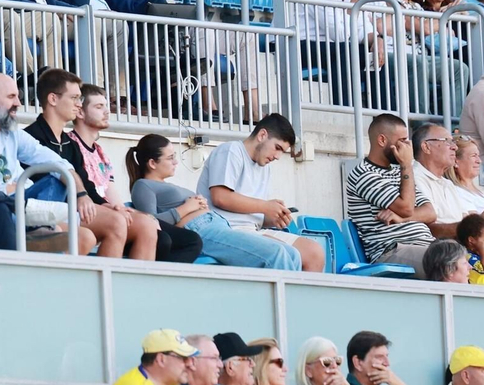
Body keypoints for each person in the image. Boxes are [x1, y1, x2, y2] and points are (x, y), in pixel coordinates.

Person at [0, 71, 93, 253]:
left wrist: (81, 194)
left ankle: (34, 227)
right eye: (12, 97)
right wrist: (8, 189)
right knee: (1, 207)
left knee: (57, 178)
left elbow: (57, 162)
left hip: (18, 206)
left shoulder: (11, 132)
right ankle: (32, 228)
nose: (18, 103)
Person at [29, 75, 170, 261]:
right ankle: (104, 285)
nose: (78, 104)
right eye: (74, 98)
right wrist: (85, 199)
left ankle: (132, 287)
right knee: (116, 222)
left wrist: (106, 205)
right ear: (53, 99)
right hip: (47, 211)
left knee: (146, 225)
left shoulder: (68, 143)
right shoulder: (30, 137)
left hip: (74, 209)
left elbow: (85, 183)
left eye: (80, 99)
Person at [128, 136, 300, 269]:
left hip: (218, 225)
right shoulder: (143, 185)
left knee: (292, 254)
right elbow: (150, 223)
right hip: (201, 230)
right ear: (152, 163)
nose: (176, 161)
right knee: (277, 254)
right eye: (170, 158)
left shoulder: (167, 185)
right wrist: (185, 208)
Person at [196, 114, 326, 272]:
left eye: (282, 152)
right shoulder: (231, 151)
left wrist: (273, 217)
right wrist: (265, 206)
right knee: (284, 253)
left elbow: (250, 211)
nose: (277, 157)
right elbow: (220, 197)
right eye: (277, 148)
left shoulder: (264, 166)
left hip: (252, 230)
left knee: (314, 252)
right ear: (262, 135)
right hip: (226, 230)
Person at [346, 113, 437, 273]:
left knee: (465, 258)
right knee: (445, 259)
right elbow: (407, 207)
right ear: (382, 140)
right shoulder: (364, 174)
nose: (407, 147)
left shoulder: (398, 172)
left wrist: (401, 218)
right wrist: (407, 165)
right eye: (402, 141)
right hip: (391, 250)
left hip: (424, 246)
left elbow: (430, 213)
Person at [412, 124, 484, 229]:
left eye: (452, 142)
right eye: (446, 141)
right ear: (426, 147)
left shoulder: (448, 184)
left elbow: (464, 220)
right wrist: (480, 222)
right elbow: (431, 228)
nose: (454, 147)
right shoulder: (415, 178)